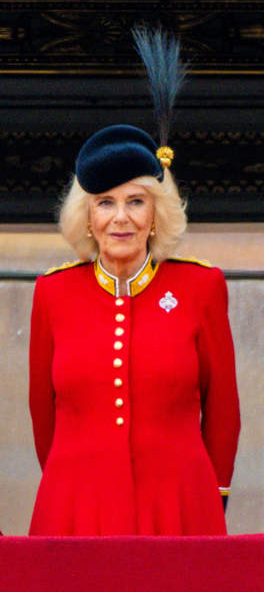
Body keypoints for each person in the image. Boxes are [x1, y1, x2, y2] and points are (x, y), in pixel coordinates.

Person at [27, 125, 239, 535]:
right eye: (105, 203)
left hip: (179, 503)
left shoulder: (201, 287)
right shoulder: (53, 292)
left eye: (135, 202)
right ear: (88, 217)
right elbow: (42, 416)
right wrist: (68, 485)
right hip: (75, 507)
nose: (120, 218)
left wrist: (209, 498)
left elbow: (223, 412)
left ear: (155, 215)